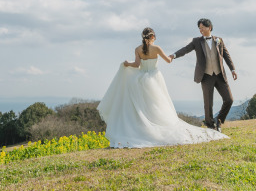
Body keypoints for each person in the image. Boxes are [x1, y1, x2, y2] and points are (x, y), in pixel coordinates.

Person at [97, 27, 227, 148]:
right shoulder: (157, 48)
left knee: (143, 107)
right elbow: (168, 60)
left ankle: (144, 130)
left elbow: (136, 65)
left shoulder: (137, 49)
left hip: (140, 80)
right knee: (156, 105)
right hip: (154, 79)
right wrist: (172, 56)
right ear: (153, 37)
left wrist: (127, 63)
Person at [169, 18, 237, 132]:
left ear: (209, 27)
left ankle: (219, 120)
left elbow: (226, 55)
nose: (200, 30)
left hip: (220, 75)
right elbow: (186, 49)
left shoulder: (219, 40)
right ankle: (210, 125)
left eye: (202, 27)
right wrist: (174, 55)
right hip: (206, 76)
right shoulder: (196, 41)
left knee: (229, 99)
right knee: (208, 103)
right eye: (199, 28)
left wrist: (233, 69)